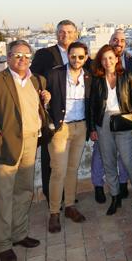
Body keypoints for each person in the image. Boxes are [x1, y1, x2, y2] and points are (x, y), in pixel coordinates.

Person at [0, 40, 50, 261]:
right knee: (3, 197)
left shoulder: (37, 81)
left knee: (24, 192)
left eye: (26, 56)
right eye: (17, 55)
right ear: (8, 57)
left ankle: (19, 234)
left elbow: (33, 109)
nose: (22, 60)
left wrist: (46, 101)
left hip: (30, 143)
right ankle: (3, 243)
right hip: (4, 147)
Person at [30, 19, 79, 204]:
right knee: (51, 161)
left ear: (75, 34)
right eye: (61, 32)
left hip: (75, 116)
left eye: (69, 32)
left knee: (70, 164)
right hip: (52, 115)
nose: (65, 35)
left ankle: (68, 197)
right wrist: (44, 89)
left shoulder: (79, 53)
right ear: (56, 34)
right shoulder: (45, 54)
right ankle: (52, 199)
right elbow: (33, 77)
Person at [89, 44, 132, 215]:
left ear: (117, 59)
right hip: (103, 122)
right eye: (104, 58)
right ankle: (115, 197)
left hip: (124, 120)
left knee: (128, 160)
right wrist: (92, 128)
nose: (107, 61)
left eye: (111, 57)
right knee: (108, 162)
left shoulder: (126, 76)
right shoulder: (97, 79)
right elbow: (91, 106)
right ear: (100, 61)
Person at [44, 42, 91, 233]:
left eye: (81, 57)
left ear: (86, 57)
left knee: (73, 169)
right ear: (68, 56)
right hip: (60, 129)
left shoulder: (89, 76)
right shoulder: (55, 74)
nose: (77, 60)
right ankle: (54, 212)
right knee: (58, 171)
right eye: (73, 56)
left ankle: (70, 206)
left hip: (81, 127)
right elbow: (43, 95)